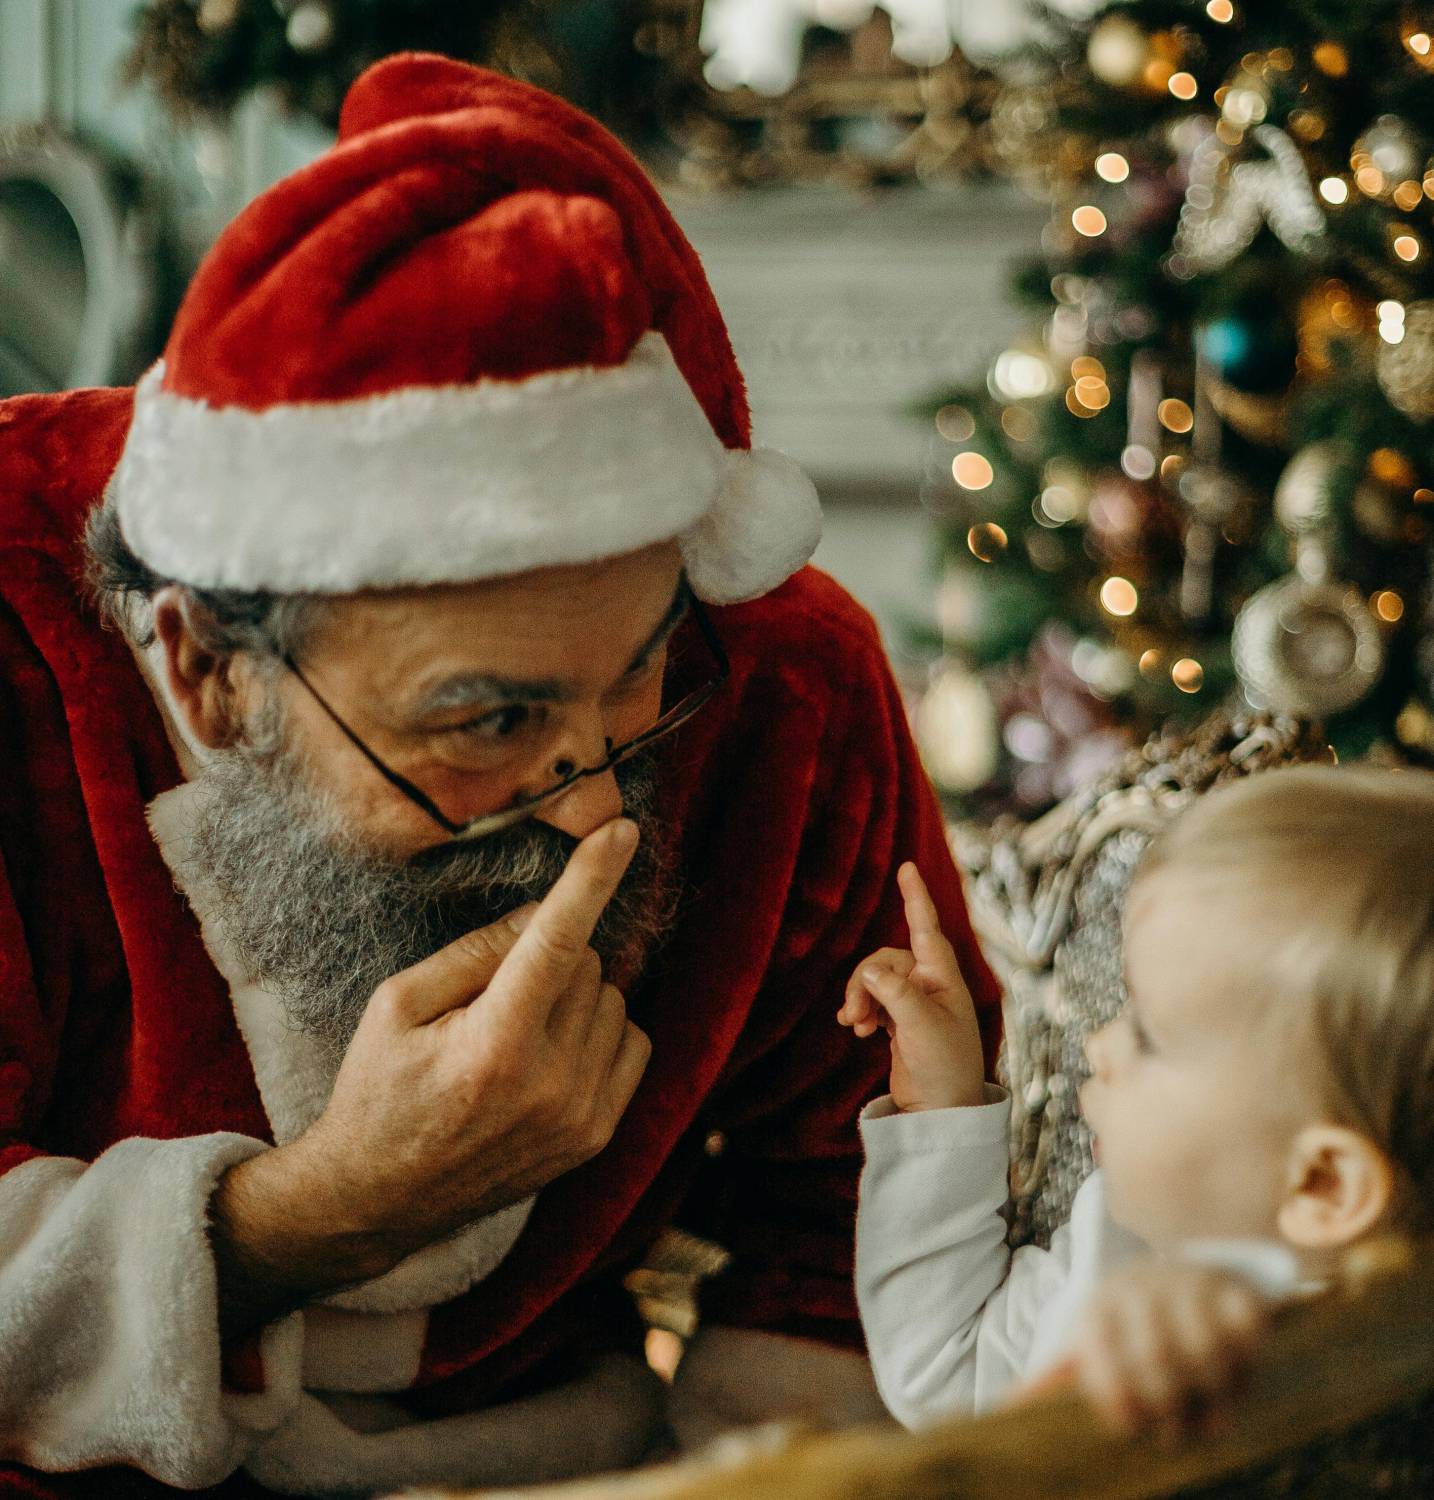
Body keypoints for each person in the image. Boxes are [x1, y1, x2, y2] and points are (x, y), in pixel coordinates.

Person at [0, 52, 1003, 1499]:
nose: (596, 808)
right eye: (486, 722)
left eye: (638, 678)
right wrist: (317, 1216)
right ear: (211, 669)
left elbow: (856, 1213)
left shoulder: (776, 675)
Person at [847, 763, 1434, 1438]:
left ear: (1322, 1184)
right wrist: (940, 1105)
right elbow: (952, 1377)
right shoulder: (1126, 1224)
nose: (1099, 1047)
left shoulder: (1373, 1386)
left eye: (1150, 1037)